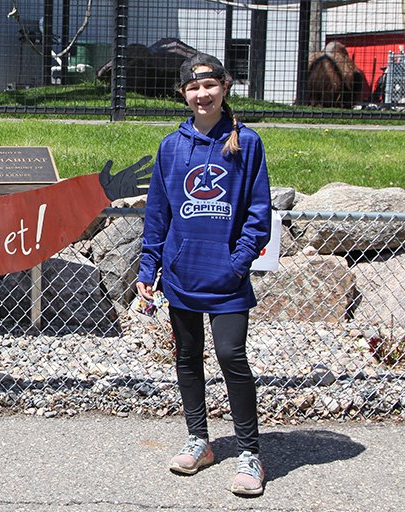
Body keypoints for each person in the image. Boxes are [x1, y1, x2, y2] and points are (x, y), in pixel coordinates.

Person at [135, 53, 271, 497]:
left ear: (225, 87)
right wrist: (149, 266)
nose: (202, 94)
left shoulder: (246, 142)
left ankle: (250, 452)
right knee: (188, 359)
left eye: (210, 86)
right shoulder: (171, 147)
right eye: (193, 88)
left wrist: (240, 260)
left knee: (232, 357)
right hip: (181, 275)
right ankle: (200, 440)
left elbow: (257, 210)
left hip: (227, 277)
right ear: (183, 94)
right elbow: (158, 213)